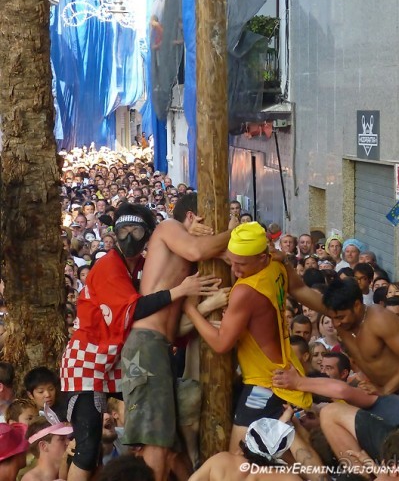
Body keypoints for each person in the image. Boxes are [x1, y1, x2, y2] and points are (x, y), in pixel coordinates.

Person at [61, 202, 218, 481]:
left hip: (116, 362)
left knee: (159, 420)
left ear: (148, 233)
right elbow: (134, 310)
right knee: (88, 446)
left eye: (136, 229)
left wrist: (186, 233)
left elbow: (169, 262)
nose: (129, 237)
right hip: (87, 363)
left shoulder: (139, 266)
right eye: (123, 230)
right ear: (113, 232)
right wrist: (179, 291)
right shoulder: (108, 265)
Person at [121, 193, 239, 481]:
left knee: (169, 445)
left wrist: (206, 306)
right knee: (157, 441)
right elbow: (199, 250)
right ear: (191, 217)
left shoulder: (183, 255)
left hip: (159, 346)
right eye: (211, 226)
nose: (211, 233)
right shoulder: (167, 227)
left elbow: (174, 330)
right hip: (146, 345)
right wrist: (233, 230)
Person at [183, 222, 311, 455]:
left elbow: (221, 344)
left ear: (262, 258)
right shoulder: (275, 266)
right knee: (283, 452)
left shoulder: (246, 289)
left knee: (237, 458)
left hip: (264, 383)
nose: (236, 271)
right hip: (279, 373)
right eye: (232, 262)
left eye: (242, 265)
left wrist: (190, 310)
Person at [283, 269, 399, 414]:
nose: (336, 324)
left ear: (356, 306)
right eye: (333, 318)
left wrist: (385, 391)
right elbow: (299, 290)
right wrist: (283, 260)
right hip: (390, 399)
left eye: (340, 317)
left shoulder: (379, 318)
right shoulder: (339, 313)